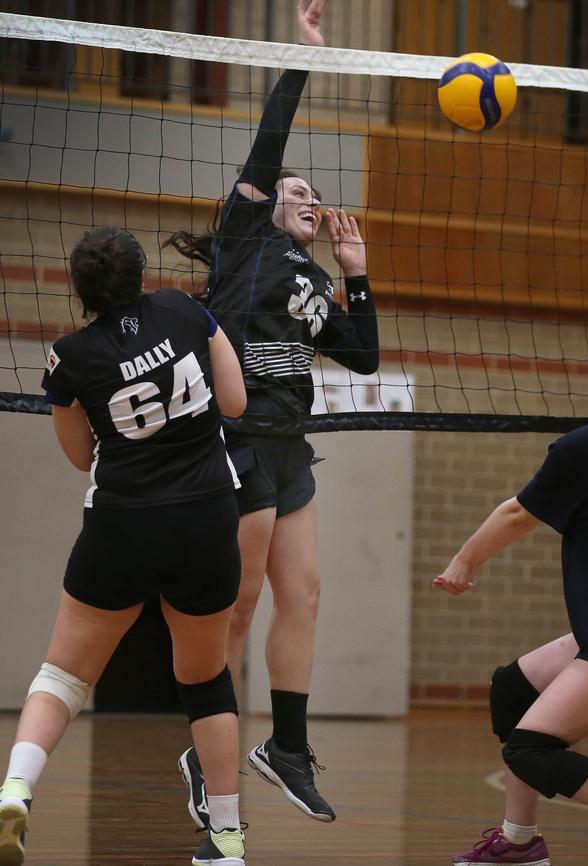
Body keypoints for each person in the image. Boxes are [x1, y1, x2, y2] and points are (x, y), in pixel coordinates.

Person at [166, 0, 379, 828]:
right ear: (263, 202)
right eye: (293, 189)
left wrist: (354, 270)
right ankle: (206, 744)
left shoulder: (314, 279)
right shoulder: (246, 237)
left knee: (307, 595)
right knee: (242, 602)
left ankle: (285, 748)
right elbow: (272, 139)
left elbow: (361, 352)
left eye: (312, 194)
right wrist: (304, 56)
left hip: (292, 447)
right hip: (240, 440)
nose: (304, 194)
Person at [0, 226, 248, 866]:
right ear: (141, 275)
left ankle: (16, 790)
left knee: (63, 673)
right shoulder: (186, 310)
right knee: (206, 679)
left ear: (81, 290)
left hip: (122, 523)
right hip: (206, 516)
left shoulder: (69, 356)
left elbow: (81, 454)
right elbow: (236, 401)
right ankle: (226, 838)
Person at [434, 333, 588, 866]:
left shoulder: (587, 447)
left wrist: (464, 562)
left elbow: (516, 514)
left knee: (530, 749)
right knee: (512, 691)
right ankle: (518, 842)